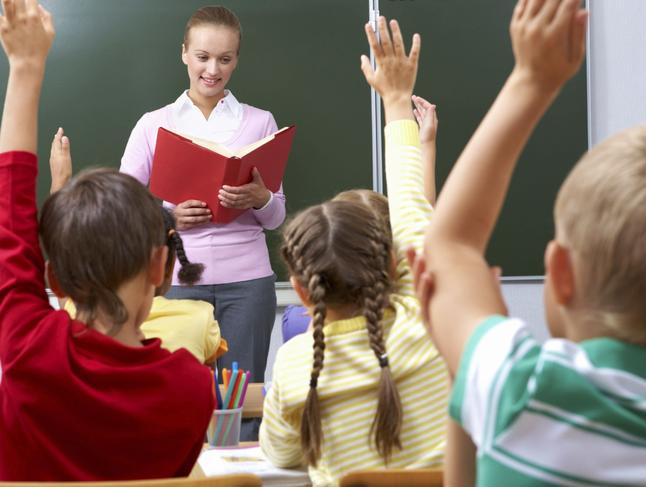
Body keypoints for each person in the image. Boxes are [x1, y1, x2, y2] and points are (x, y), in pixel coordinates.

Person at [412, 0, 646, 483]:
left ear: (560, 273)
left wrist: (534, 78)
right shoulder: (506, 389)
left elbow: (449, 245)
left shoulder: (523, 390)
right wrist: (465, 378)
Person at [0, 1, 213, 479]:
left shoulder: (29, 350)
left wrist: (26, 67)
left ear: (53, 276)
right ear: (161, 268)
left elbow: (9, 216)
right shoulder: (191, 386)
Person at [259, 18, 447, 486]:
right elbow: (412, 214)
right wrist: (397, 101)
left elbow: (280, 457)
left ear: (301, 291)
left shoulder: (296, 366)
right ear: (391, 264)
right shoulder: (428, 330)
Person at [121, 5, 284, 384]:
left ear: (236, 60)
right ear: (184, 54)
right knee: (176, 397)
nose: (213, 70)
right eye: (203, 57)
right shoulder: (153, 125)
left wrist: (259, 198)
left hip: (249, 283)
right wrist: (168, 219)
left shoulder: (261, 123)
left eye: (225, 59)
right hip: (176, 282)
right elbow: (123, 210)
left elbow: (277, 217)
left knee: (242, 400)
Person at [51, 129, 227, 364]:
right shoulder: (198, 319)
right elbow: (210, 386)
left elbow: (62, 265)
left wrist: (60, 180)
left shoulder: (78, 315)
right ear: (162, 262)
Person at [280, 97, 438, 344]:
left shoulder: (299, 334)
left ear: (302, 289)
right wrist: (425, 144)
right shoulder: (419, 320)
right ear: (394, 259)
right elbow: (421, 217)